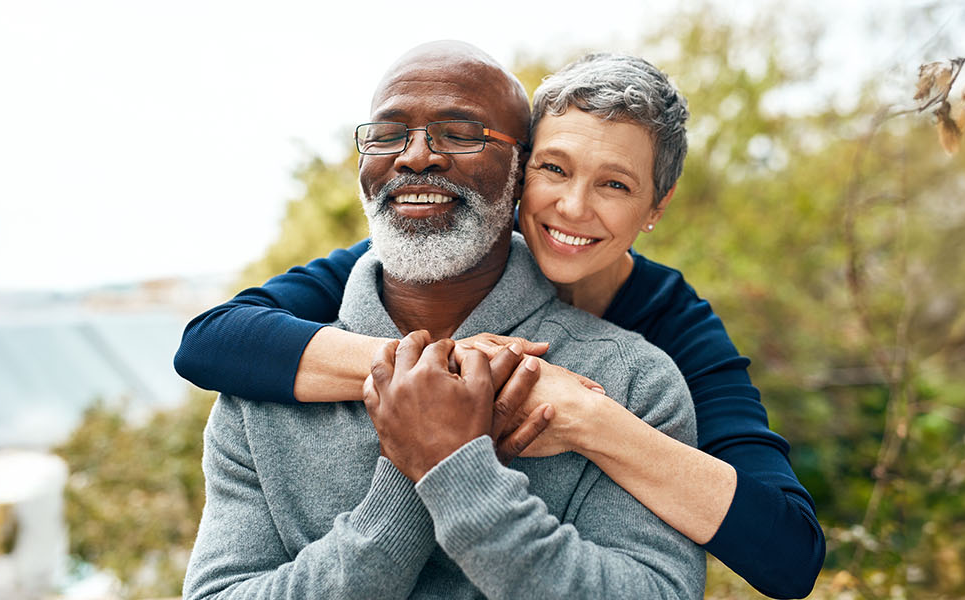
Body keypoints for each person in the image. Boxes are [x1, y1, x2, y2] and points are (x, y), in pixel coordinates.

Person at [176, 51, 826, 597]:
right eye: (556, 169)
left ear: (657, 206)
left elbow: (786, 553)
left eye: (616, 185)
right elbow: (212, 339)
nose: (572, 206)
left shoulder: (661, 351)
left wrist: (588, 423)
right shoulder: (291, 353)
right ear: (524, 178)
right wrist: (434, 387)